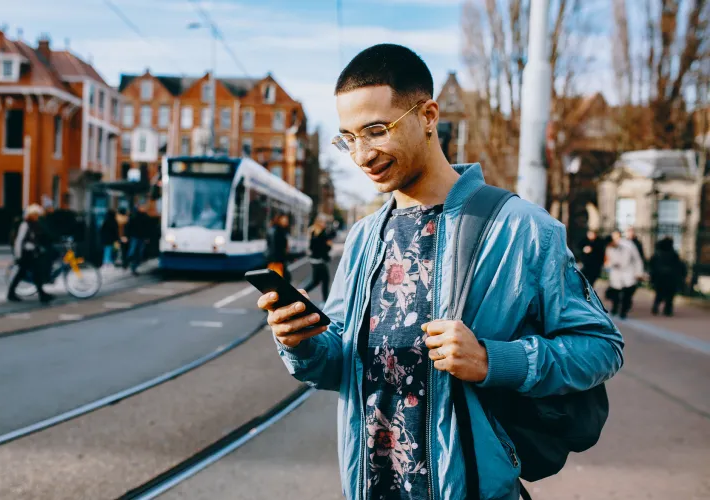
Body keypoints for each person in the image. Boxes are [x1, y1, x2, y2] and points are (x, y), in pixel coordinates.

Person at [257, 44, 623, 500]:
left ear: (428, 115)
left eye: (375, 130)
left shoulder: (524, 229)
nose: (361, 155)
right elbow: (339, 364)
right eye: (348, 138)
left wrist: (493, 360)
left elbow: (601, 348)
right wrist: (302, 342)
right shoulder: (364, 237)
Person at [7, 204, 54, 303]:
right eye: (36, 214)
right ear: (31, 215)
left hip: (31, 253)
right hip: (25, 253)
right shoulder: (25, 224)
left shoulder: (34, 224)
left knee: (31, 273)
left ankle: (41, 294)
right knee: (25, 273)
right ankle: (12, 294)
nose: (37, 216)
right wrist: (18, 255)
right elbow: (19, 241)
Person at [605, 229, 644, 319]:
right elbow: (608, 260)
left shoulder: (629, 245)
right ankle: (615, 309)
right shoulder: (609, 247)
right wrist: (610, 265)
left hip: (628, 272)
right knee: (615, 293)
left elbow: (637, 259)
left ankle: (623, 312)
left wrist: (639, 272)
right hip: (616, 273)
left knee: (627, 294)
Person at [649, 237, 686, 316]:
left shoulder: (658, 254)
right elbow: (680, 266)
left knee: (659, 294)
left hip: (660, 278)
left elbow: (652, 266)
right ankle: (667, 310)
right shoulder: (674, 254)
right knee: (670, 296)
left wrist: (652, 277)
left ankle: (656, 306)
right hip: (671, 278)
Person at [305, 214, 333, 301]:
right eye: (324, 222)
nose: (325, 224)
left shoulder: (312, 231)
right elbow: (328, 247)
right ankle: (325, 302)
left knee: (316, 281)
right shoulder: (323, 233)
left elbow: (310, 247)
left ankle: (301, 293)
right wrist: (328, 245)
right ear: (320, 222)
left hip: (313, 259)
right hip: (320, 260)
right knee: (324, 280)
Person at [266, 213, 291, 282]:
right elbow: (274, 247)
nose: (286, 221)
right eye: (285, 219)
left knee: (283, 279)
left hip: (279, 260)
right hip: (277, 260)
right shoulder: (277, 231)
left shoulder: (278, 230)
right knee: (279, 281)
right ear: (279, 220)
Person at [126, 203, 148, 276]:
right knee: (135, 252)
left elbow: (146, 228)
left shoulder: (141, 216)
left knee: (137, 252)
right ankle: (131, 264)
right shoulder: (135, 216)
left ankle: (133, 265)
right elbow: (129, 226)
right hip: (136, 236)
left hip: (138, 237)